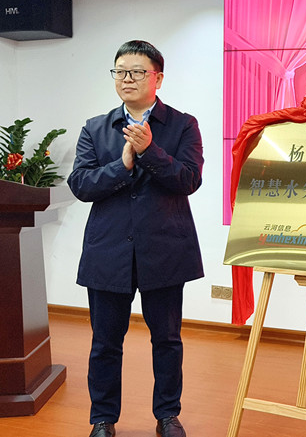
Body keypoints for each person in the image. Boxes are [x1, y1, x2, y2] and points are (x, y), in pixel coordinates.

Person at [68, 40, 204, 437]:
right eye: (120, 71)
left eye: (137, 71)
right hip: (108, 252)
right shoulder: (95, 128)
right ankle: (102, 419)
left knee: (167, 340)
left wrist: (149, 152)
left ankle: (167, 416)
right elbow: (81, 184)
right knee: (105, 343)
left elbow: (189, 180)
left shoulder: (182, 125)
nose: (127, 79)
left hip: (164, 249)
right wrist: (123, 163)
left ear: (157, 77)